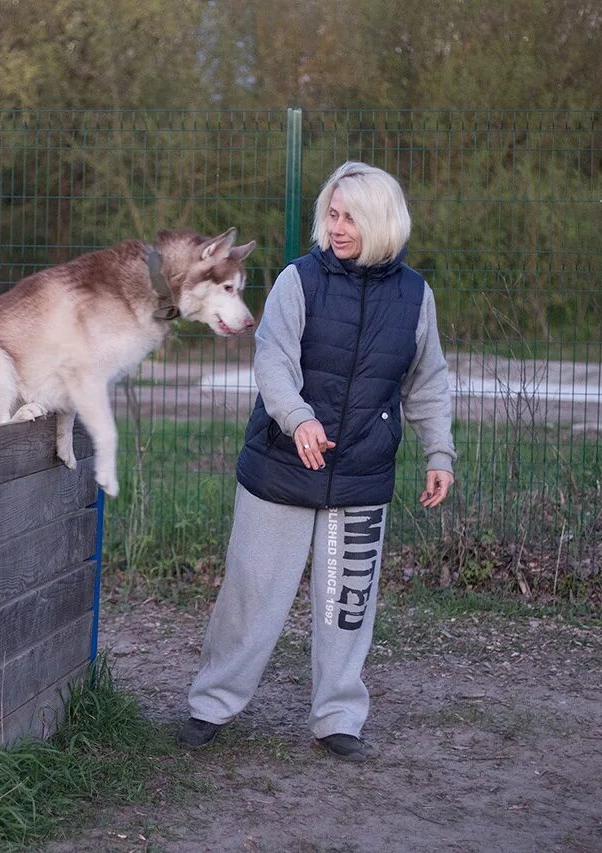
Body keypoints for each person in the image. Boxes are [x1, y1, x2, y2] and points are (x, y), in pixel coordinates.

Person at [178, 162, 456, 762]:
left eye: (350, 216)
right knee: (250, 594)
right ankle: (211, 705)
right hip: (280, 467)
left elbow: (427, 380)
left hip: (361, 476)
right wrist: (298, 418)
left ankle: (338, 718)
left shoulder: (415, 297)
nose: (337, 227)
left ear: (382, 222)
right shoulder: (298, 281)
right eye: (331, 214)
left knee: (347, 602)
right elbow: (272, 360)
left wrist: (440, 450)